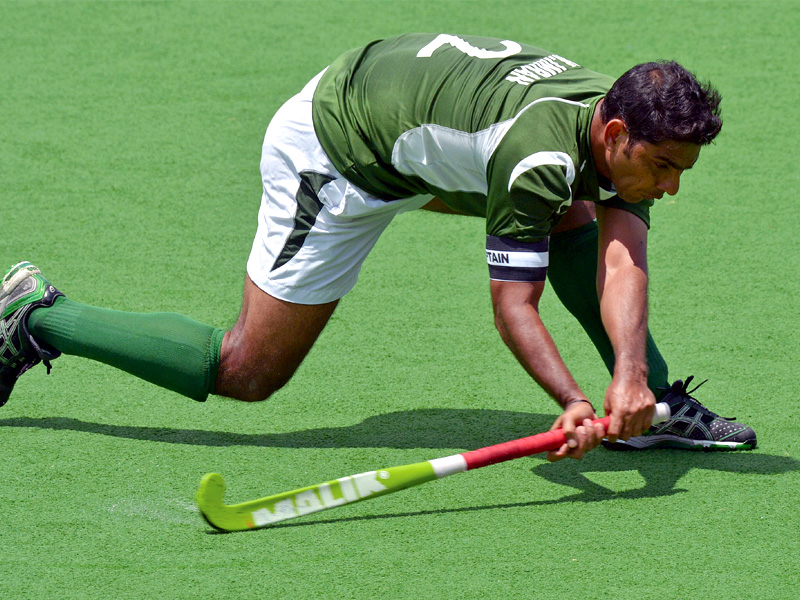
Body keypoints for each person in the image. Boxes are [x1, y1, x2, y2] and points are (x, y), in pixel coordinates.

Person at [0, 33, 756, 462]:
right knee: (248, 369)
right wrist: (572, 402)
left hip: (421, 134)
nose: (672, 187)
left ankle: (658, 406)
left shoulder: (614, 117)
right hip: (340, 151)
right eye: (663, 169)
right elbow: (511, 305)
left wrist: (631, 381)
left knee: (577, 221)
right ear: (617, 134)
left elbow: (622, 258)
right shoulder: (542, 158)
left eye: (682, 171)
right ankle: (37, 315)